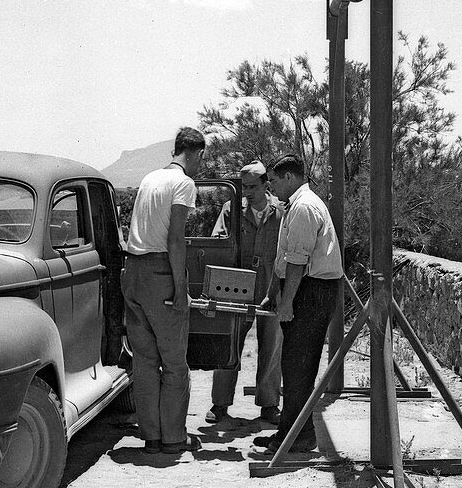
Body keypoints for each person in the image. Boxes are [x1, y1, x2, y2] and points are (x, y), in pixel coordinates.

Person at [252, 155, 344, 456]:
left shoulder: (303, 206)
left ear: (289, 178)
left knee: (299, 366)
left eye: (275, 182)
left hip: (312, 291)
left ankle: (298, 437)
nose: (272, 188)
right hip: (306, 288)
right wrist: (273, 294)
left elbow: (297, 261)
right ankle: (291, 433)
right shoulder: (296, 205)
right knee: (294, 367)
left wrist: (287, 302)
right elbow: (284, 258)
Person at [122, 127, 206, 454]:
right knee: (174, 363)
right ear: (196, 153)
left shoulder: (149, 179)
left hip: (133, 272)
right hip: (160, 273)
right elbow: (175, 240)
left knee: (143, 362)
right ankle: (173, 439)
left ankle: (151, 438)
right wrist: (182, 289)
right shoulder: (184, 183)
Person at [206, 161, 283, 426]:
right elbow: (219, 241)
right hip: (238, 282)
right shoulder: (232, 210)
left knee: (272, 343)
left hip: (270, 281)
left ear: (266, 184)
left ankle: (269, 404)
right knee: (230, 340)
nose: (247, 192)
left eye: (252, 186)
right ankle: (220, 403)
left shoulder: (281, 211)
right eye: (244, 187)